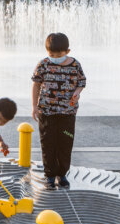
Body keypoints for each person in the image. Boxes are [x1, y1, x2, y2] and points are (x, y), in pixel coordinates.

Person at [30, 32, 87, 189]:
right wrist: (34, 106)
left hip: (67, 113)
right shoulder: (43, 64)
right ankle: (49, 175)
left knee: (65, 143)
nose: (54, 57)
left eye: (58, 54)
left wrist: (77, 92)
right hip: (46, 111)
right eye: (51, 54)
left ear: (67, 51)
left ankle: (61, 175)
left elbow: (81, 82)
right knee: (48, 143)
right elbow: (35, 84)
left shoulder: (75, 65)